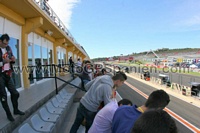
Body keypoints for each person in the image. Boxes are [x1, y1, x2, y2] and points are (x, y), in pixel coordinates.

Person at [0, 34, 25, 122]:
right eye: (4, 43)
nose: (6, 45)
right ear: (0, 41)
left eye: (7, 43)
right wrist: (3, 62)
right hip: (0, 76)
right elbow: (3, 62)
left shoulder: (9, 48)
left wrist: (13, 60)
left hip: (8, 74)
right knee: (3, 97)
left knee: (15, 93)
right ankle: (9, 115)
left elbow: (11, 59)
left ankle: (16, 110)